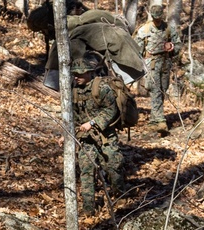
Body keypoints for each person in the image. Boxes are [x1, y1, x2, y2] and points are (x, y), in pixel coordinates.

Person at [59, 56, 125, 215]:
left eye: (80, 74)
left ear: (89, 73)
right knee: (86, 171)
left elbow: (111, 110)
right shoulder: (73, 91)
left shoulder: (101, 88)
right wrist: (65, 135)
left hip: (105, 136)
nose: (77, 77)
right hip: (86, 139)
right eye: (74, 74)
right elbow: (72, 117)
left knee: (113, 166)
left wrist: (93, 123)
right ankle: (88, 208)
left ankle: (120, 195)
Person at [133, 2, 181, 128]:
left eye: (159, 17)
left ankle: (154, 120)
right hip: (151, 64)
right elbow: (137, 49)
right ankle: (160, 120)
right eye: (155, 17)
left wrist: (172, 48)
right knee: (155, 90)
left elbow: (178, 44)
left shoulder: (169, 29)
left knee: (163, 89)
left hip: (165, 63)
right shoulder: (144, 30)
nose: (157, 20)